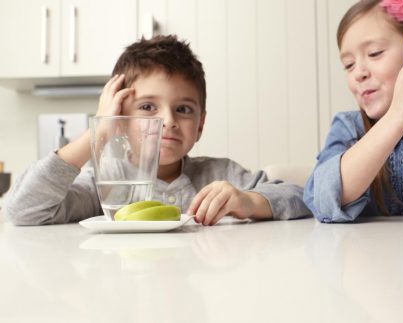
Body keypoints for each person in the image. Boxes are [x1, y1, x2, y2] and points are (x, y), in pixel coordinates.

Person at [3, 35, 310, 226]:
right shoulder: (106, 184)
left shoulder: (219, 175)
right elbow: (23, 210)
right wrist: (99, 130)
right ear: (120, 116)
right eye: (148, 107)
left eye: (184, 109)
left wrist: (246, 201)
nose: (168, 121)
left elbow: (299, 197)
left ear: (200, 124)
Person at [304, 0, 403, 223]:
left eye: (374, 53)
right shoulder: (348, 128)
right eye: (349, 65)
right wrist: (397, 117)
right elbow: (322, 200)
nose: (359, 73)